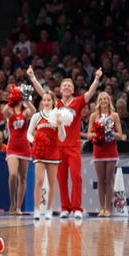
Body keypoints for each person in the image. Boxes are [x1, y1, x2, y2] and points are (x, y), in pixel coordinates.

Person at [28, 65, 103, 219]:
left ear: (73, 89)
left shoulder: (78, 102)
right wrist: (32, 77)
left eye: (70, 85)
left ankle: (76, 208)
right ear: (60, 89)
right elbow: (42, 93)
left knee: (76, 177)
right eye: (64, 85)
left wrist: (96, 79)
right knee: (61, 179)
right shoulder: (55, 104)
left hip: (74, 146)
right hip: (57, 147)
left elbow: (89, 94)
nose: (67, 87)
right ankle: (65, 207)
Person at [27, 91, 66, 220]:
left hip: (53, 152)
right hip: (39, 152)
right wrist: (35, 142)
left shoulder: (57, 116)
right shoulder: (37, 116)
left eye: (49, 100)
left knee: (52, 182)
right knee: (39, 180)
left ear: (53, 101)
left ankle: (49, 209)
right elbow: (29, 133)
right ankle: (37, 209)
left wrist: (60, 125)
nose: (46, 102)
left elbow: (62, 137)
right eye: (44, 100)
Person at [87, 92, 126, 217]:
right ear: (98, 101)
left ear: (109, 101)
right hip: (98, 150)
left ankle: (108, 208)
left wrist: (109, 133)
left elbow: (120, 135)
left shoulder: (114, 116)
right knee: (100, 180)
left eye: (106, 99)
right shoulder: (94, 116)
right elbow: (88, 135)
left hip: (110, 150)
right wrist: (98, 134)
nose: (104, 100)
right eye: (101, 99)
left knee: (109, 180)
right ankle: (101, 207)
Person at [2, 84, 36, 215]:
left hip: (25, 147)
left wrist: (26, 100)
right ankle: (12, 202)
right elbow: (4, 111)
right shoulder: (10, 111)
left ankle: (18, 207)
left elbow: (34, 112)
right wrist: (12, 100)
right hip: (12, 148)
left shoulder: (25, 111)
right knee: (13, 174)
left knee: (23, 178)